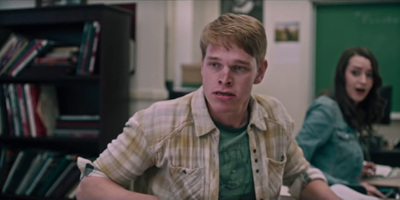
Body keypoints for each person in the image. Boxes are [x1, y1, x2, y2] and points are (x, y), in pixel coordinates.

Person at [76, 13, 341, 200]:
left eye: (238, 68)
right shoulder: (158, 121)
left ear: (260, 72)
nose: (225, 78)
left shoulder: (275, 117)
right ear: (203, 65)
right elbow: (90, 186)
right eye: (215, 64)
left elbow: (300, 176)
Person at [295, 47, 387, 198]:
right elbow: (297, 162)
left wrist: (357, 167)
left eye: (369, 75)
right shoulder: (326, 110)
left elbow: (332, 156)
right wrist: (351, 187)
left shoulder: (348, 111)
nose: (363, 81)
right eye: (355, 73)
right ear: (342, 76)